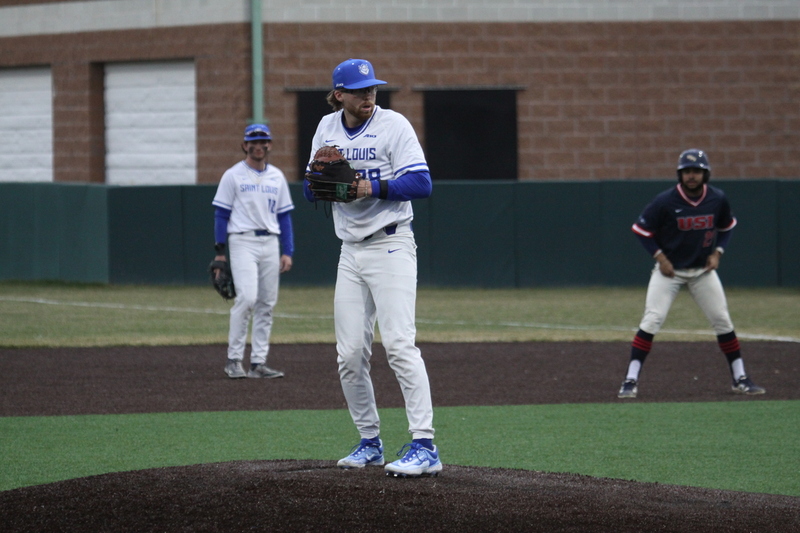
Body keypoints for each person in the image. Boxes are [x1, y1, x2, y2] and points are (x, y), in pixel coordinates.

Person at [303, 59, 441, 477]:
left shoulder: (394, 125)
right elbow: (311, 188)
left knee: (399, 344)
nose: (369, 95)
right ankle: (370, 442)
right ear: (339, 94)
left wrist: (369, 185)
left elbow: (422, 183)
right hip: (350, 251)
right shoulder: (326, 129)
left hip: (392, 242)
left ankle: (425, 445)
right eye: (360, 90)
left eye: (372, 88)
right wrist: (323, 184)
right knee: (349, 354)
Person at [617, 149, 765, 399]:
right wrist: (660, 258)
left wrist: (718, 252)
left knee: (722, 321)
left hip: (701, 272)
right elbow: (640, 230)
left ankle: (740, 378)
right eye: (687, 171)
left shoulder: (717, 198)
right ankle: (630, 380)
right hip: (670, 271)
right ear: (680, 174)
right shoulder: (665, 201)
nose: (692, 176)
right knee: (652, 320)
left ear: (705, 173)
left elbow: (727, 226)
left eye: (696, 171)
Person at [212, 123, 295, 379]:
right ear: (244, 145)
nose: (258, 146)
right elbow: (221, 214)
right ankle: (233, 359)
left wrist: (288, 251)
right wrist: (220, 252)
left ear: (269, 145)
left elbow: (284, 217)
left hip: (270, 242)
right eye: (253, 141)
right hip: (242, 241)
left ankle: (258, 363)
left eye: (263, 141)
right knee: (246, 298)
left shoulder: (277, 176)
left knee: (266, 303)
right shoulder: (233, 175)